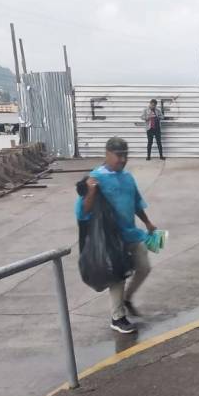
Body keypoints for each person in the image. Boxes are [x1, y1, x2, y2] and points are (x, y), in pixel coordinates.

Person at [75, 137, 157, 334]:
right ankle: (117, 317)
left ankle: (127, 298)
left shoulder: (127, 178)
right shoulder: (95, 179)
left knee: (144, 267)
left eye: (125, 156)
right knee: (117, 276)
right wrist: (91, 193)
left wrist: (147, 222)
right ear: (107, 154)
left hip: (131, 234)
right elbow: (82, 212)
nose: (122, 160)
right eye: (118, 156)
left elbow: (136, 203)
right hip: (110, 239)